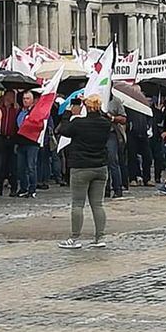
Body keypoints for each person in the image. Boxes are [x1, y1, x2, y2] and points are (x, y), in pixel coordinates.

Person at [57, 95, 111, 249]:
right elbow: (108, 118)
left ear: (86, 107)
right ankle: (100, 237)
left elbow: (63, 130)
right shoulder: (105, 124)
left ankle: (74, 238)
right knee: (98, 204)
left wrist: (70, 112)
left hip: (81, 166)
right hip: (100, 167)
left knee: (78, 204)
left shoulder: (78, 123)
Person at [16, 91, 39, 198]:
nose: (25, 100)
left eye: (28, 98)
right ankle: (24, 188)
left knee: (31, 167)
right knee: (21, 168)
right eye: (24, 98)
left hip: (32, 143)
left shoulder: (35, 112)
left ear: (32, 100)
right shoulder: (19, 111)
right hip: (20, 142)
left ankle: (32, 188)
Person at [106, 95, 127, 198]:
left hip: (111, 133)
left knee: (112, 160)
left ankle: (117, 188)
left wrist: (112, 117)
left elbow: (123, 118)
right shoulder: (94, 97)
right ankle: (105, 190)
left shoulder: (115, 100)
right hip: (97, 133)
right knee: (102, 162)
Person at [0, 90, 19, 196]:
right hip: (2, 138)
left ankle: (14, 187)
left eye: (13, 96)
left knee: (13, 165)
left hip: (12, 138)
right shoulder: (0, 109)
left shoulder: (15, 110)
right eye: (9, 96)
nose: (11, 98)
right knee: (1, 164)